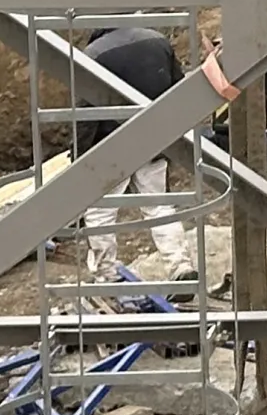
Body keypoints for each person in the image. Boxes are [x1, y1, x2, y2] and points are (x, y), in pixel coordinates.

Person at [75, 25, 239, 284]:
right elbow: (178, 87)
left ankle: (106, 276)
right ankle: (180, 267)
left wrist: (80, 155)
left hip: (110, 145)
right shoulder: (157, 40)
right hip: (155, 138)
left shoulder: (92, 54)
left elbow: (84, 114)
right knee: (159, 205)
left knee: (101, 212)